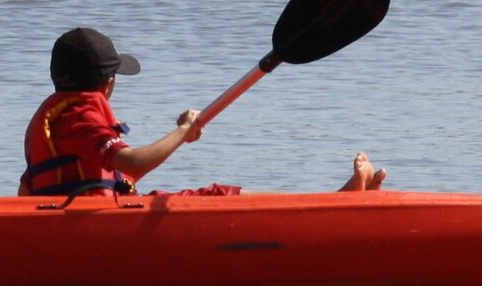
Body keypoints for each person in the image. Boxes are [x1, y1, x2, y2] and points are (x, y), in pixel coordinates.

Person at [19, 26, 383, 197]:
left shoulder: (64, 114)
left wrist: (181, 137)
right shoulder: (83, 111)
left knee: (216, 193)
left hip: (93, 214)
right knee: (214, 196)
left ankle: (331, 201)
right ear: (108, 83)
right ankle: (334, 205)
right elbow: (128, 163)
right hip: (91, 222)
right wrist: (181, 132)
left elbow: (126, 170)